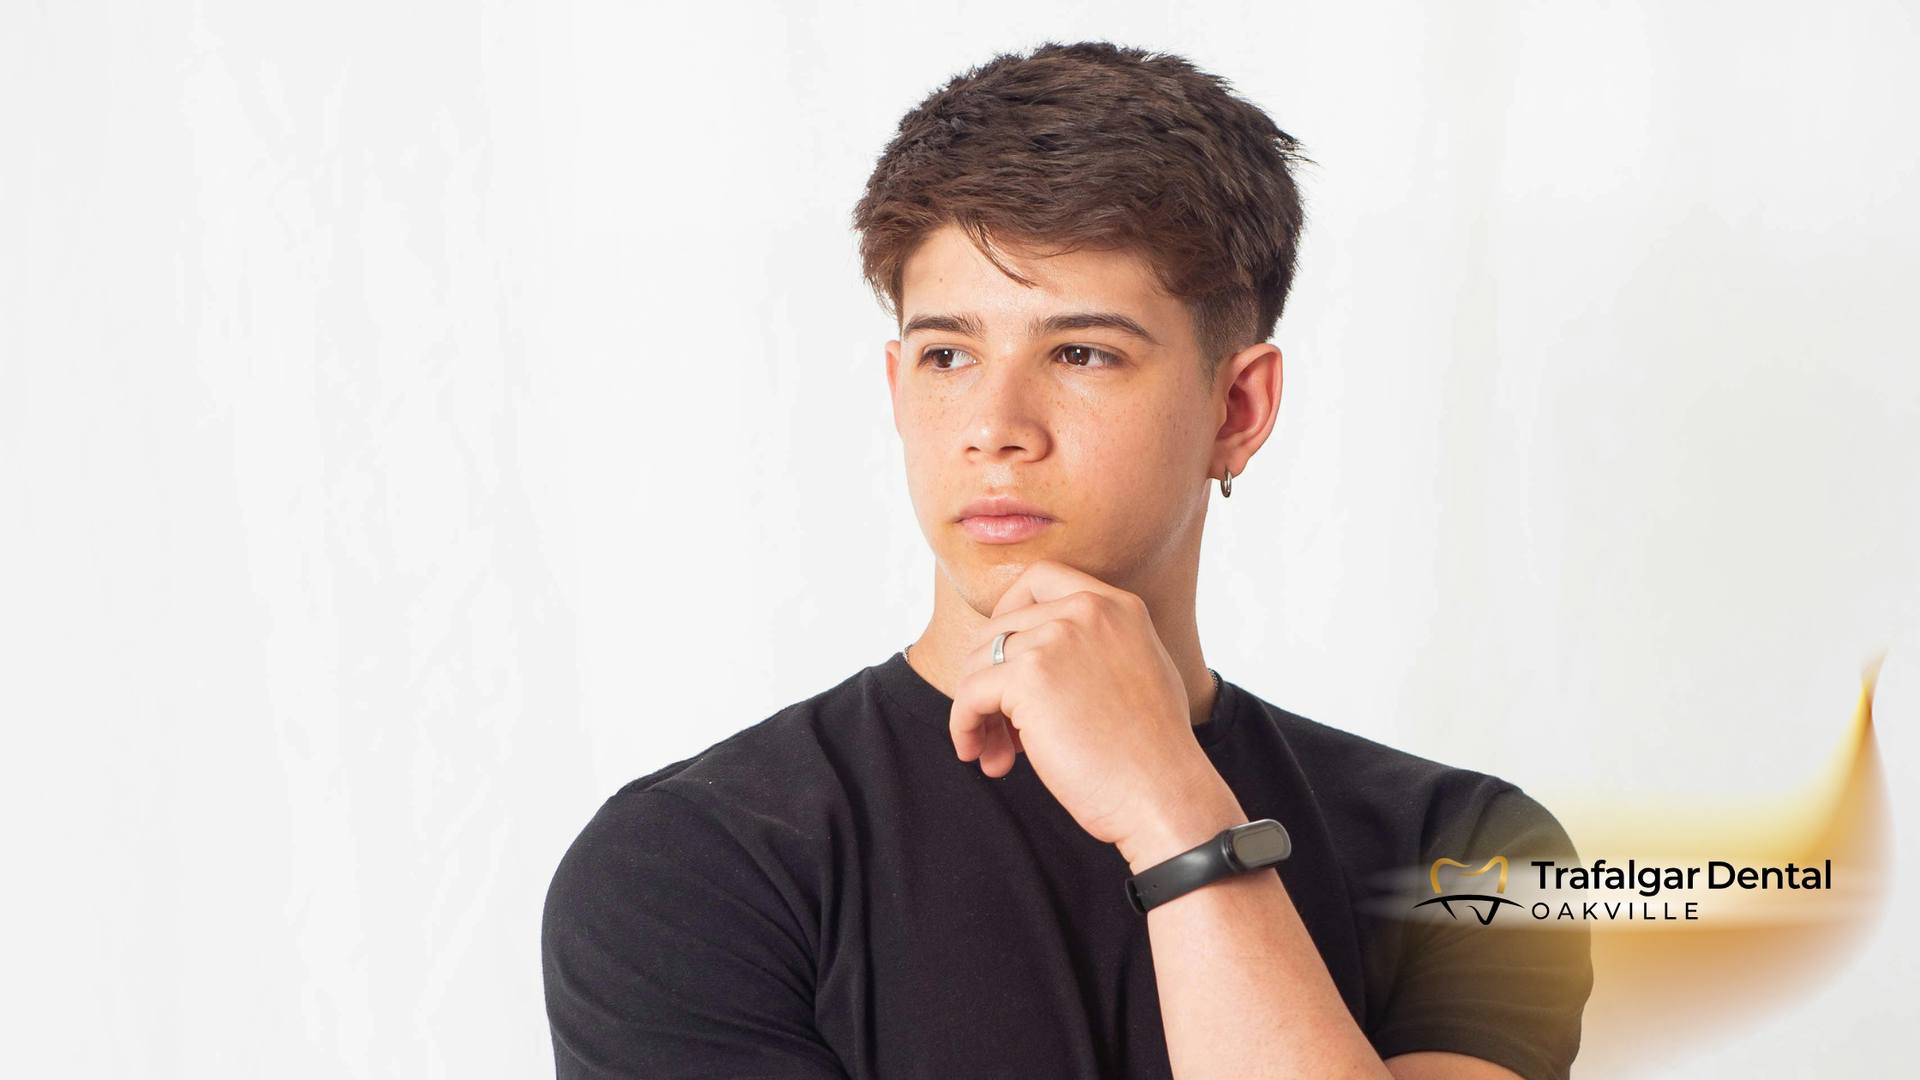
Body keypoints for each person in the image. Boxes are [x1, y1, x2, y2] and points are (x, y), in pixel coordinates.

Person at [542, 40, 1591, 1080]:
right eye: (948, 355)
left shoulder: (1472, 851)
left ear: (1238, 408)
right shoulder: (694, 864)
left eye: (1082, 353)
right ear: (899, 389)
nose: (994, 428)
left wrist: (1172, 810)